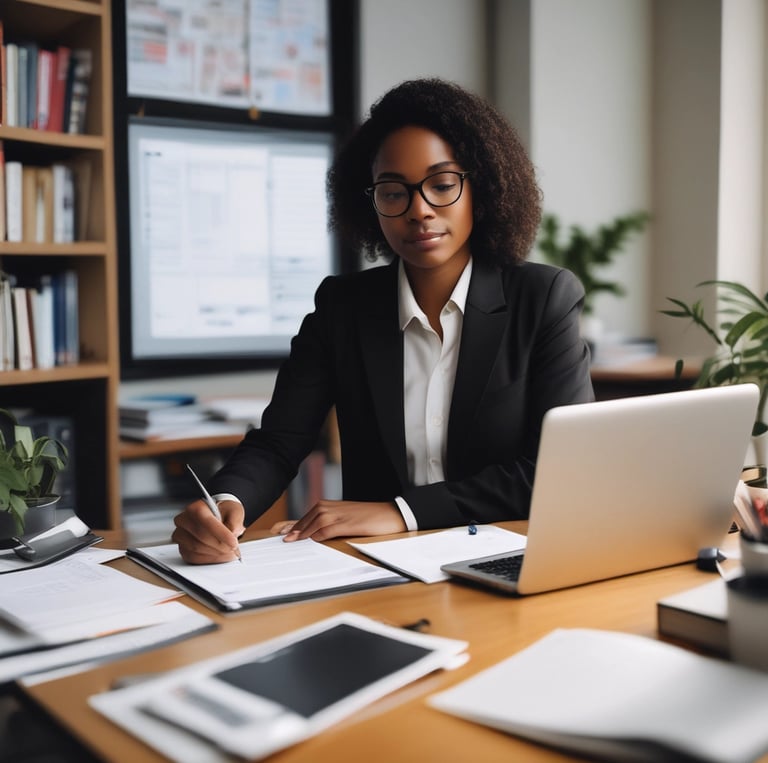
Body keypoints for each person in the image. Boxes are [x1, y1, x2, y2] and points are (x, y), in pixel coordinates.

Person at [172, 77, 594, 564]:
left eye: (441, 185)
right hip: (379, 567)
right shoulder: (342, 308)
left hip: (512, 559)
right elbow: (279, 442)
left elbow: (559, 469)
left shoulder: (543, 298)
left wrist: (403, 512)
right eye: (394, 192)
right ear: (370, 203)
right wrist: (225, 502)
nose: (419, 211)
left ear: (482, 187)